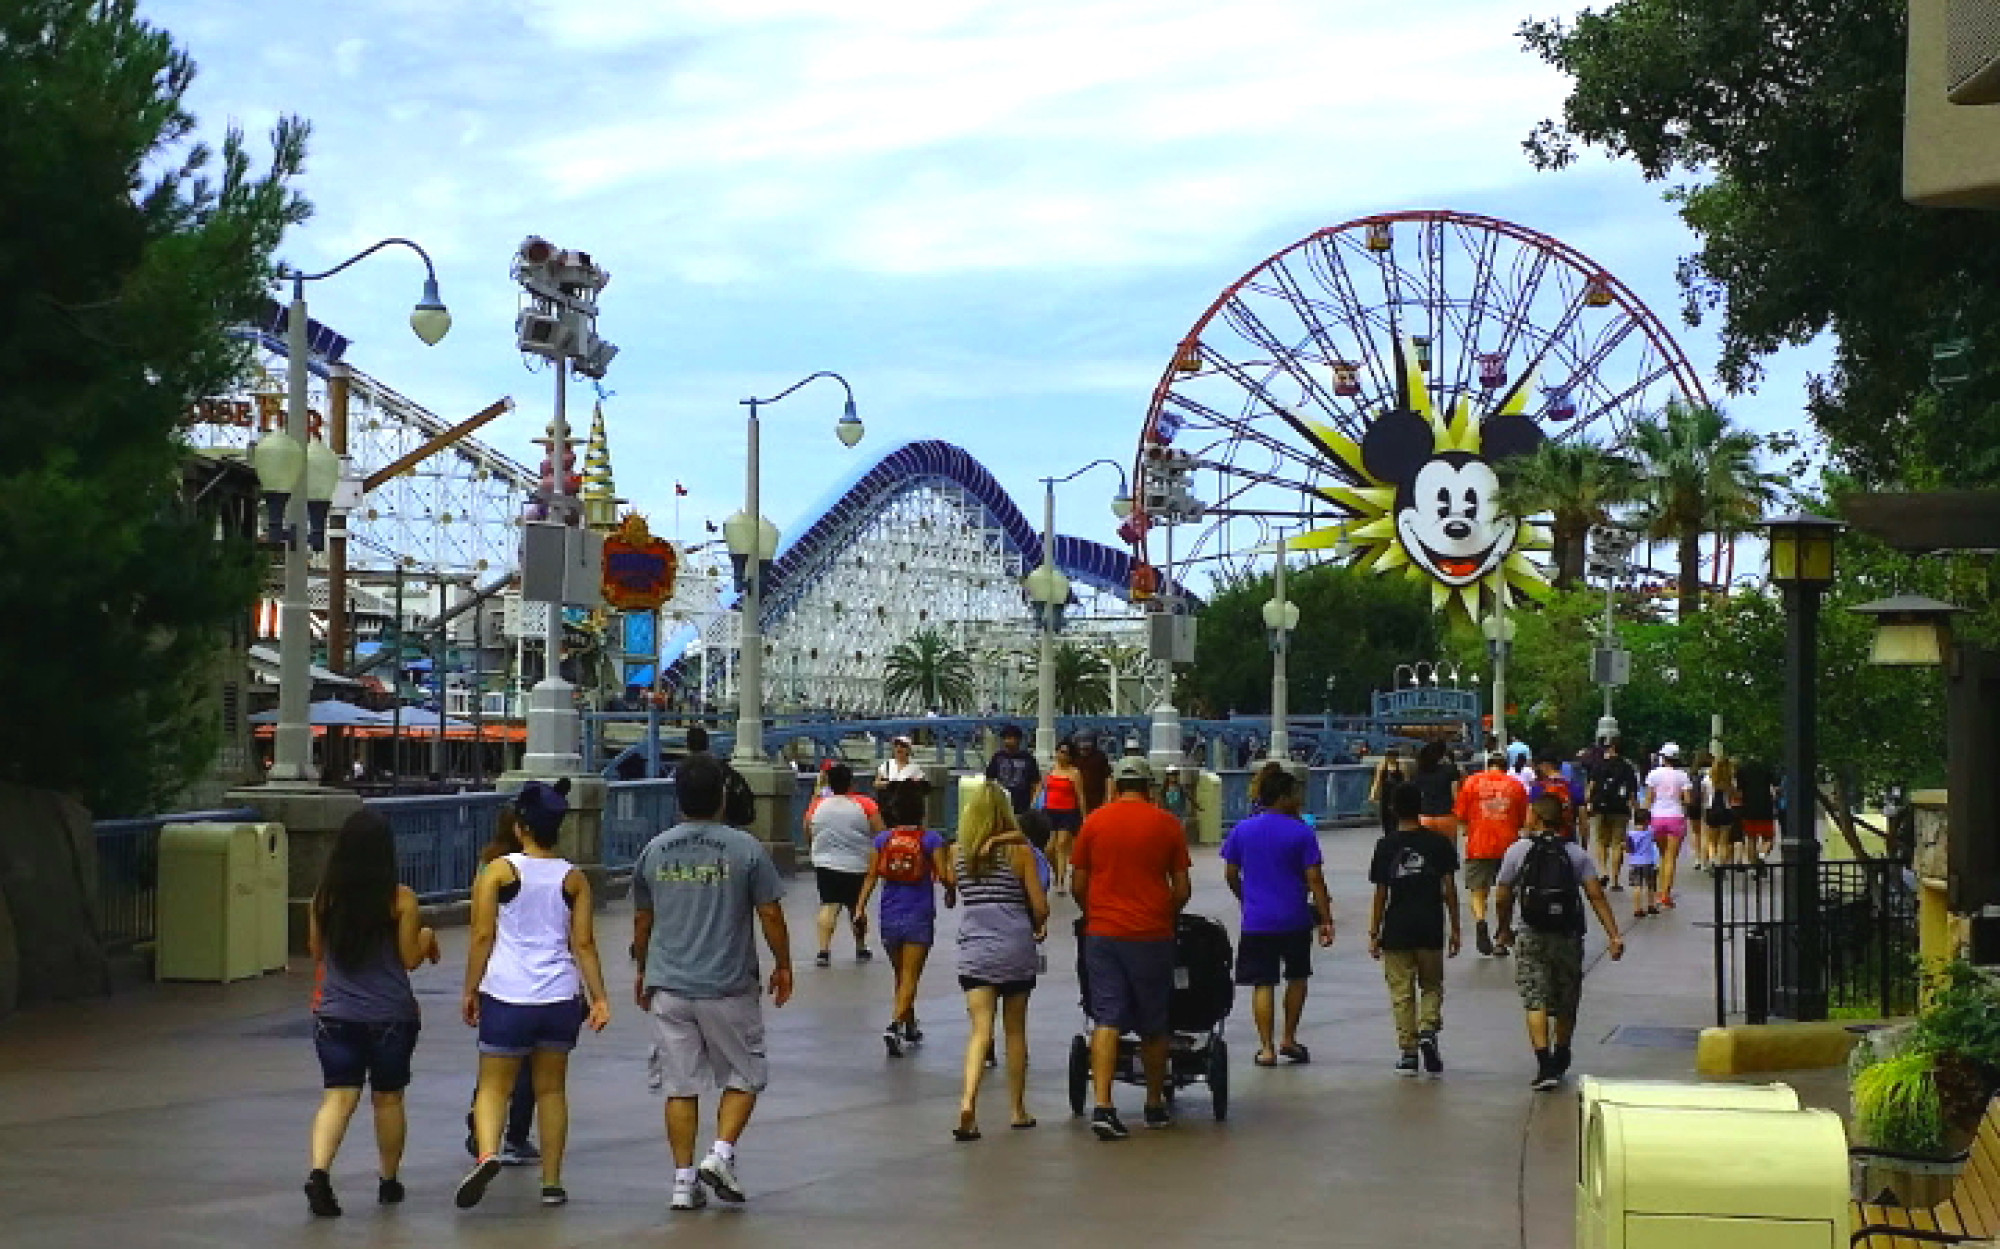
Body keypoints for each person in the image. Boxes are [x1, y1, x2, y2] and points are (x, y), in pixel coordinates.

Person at [631, 753, 792, 1212]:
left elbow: (643, 921)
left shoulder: (654, 850)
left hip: (669, 984)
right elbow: (770, 913)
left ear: (678, 799)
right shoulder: (745, 850)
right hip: (728, 984)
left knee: (678, 1085)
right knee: (746, 1073)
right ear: (723, 796)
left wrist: (643, 970)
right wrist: (783, 964)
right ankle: (720, 1154)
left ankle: (683, 1182)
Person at [457, 780, 612, 1210]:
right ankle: (552, 1181)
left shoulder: (500, 872)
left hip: (507, 994)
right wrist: (599, 997)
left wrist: (470, 989)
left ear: (521, 827)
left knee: (493, 1087)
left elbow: (482, 935)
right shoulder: (573, 878)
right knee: (551, 1091)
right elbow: (583, 944)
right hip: (559, 997)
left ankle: (488, 1154)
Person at [303, 811, 442, 1217]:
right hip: (390, 1017)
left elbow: (316, 952)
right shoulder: (400, 900)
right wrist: (428, 937)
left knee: (337, 1097)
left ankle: (319, 1173)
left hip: (335, 1015)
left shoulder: (323, 899)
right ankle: (388, 1181)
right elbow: (409, 959)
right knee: (388, 1099)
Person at [1072, 756, 1192, 1140]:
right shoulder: (1167, 824)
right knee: (1154, 1023)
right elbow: (1182, 888)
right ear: (1149, 786)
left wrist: (1094, 913)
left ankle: (1104, 1106)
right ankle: (1154, 1104)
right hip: (1151, 935)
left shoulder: (1094, 823)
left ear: (1116, 785)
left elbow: (1078, 882)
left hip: (1103, 934)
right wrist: (1163, 912)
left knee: (1107, 1017)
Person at [1493, 794, 1624, 1090]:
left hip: (1531, 932)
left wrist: (1503, 928)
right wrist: (1614, 935)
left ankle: (1544, 1064)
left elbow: (1502, 895)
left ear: (1537, 818)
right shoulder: (1575, 853)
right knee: (1566, 996)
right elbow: (1595, 895)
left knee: (1534, 996)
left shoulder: (1518, 852)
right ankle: (1562, 1052)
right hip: (1567, 934)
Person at [951, 781, 1050, 1141]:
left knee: (979, 1032)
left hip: (975, 947)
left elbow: (956, 891)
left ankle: (967, 1104)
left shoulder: (958, 853)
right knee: (1015, 1031)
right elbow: (1039, 905)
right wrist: (1038, 924)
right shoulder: (1021, 854)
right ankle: (1017, 1110)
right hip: (1014, 946)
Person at [1221, 768, 1335, 1068]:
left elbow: (1231, 873)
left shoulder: (1242, 830)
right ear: (1283, 797)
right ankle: (1289, 1038)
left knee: (1263, 983)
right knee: (1297, 978)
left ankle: (1266, 1048)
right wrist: (1326, 918)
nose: (1299, 800)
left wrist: (1245, 897)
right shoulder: (1301, 832)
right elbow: (1315, 880)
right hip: (1294, 918)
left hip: (1257, 920)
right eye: (1295, 794)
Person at [462, 809, 541, 1167]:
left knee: (495, 1060)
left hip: (496, 972)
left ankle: (481, 1120)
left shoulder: (488, 867)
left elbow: (479, 927)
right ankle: (516, 1136)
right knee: (529, 1066)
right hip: (536, 979)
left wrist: (472, 984)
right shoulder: (543, 870)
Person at [856, 779, 955, 1057]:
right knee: (910, 976)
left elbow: (872, 875)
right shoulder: (931, 839)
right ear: (922, 812)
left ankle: (910, 1024)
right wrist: (951, 891)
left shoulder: (883, 839)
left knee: (900, 974)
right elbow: (944, 875)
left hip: (888, 913)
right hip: (918, 913)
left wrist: (859, 908)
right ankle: (895, 1025)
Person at [1367, 784, 1461, 1077]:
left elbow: (1381, 892)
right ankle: (1428, 1029)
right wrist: (1455, 927)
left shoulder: (1386, 846)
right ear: (1420, 805)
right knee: (1431, 985)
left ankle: (1408, 1053)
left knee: (1401, 991)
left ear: (1393, 809)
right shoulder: (1439, 843)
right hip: (1430, 924)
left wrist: (1374, 930)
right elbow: (1449, 889)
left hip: (1397, 927)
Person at [805, 763, 882, 967]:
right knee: (856, 907)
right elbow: (880, 833)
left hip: (825, 862)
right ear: (851, 783)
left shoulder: (818, 804)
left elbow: (807, 828)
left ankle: (823, 950)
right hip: (857, 863)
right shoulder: (866, 804)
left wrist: (814, 847)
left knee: (829, 905)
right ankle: (860, 946)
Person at [1454, 753, 1529, 957]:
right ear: (1505, 767)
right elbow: (1523, 820)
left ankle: (1480, 920)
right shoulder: (1516, 786)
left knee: (1478, 890)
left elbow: (1460, 815)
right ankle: (1502, 936)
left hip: (1478, 844)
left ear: (1488, 766)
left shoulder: (1471, 783)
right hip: (1508, 845)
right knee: (1505, 891)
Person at [1585, 738, 1640, 893]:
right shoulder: (1628, 768)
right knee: (1617, 844)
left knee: (1601, 841)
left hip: (1599, 808)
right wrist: (1637, 811)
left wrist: (1588, 803)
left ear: (1612, 749)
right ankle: (1615, 879)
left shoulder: (1599, 766)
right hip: (1620, 809)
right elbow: (1632, 793)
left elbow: (1591, 787)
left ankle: (1603, 871)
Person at [1644, 743, 1694, 909]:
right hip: (1675, 817)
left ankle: (1658, 891)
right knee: (1671, 858)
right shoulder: (1683, 776)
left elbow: (1649, 798)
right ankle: (1665, 894)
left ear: (1663, 757)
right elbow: (1688, 800)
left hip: (1657, 816)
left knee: (1662, 855)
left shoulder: (1653, 774)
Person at [1034, 740, 1086, 892]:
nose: (1062, 755)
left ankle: (1061, 880)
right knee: (1049, 848)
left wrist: (1084, 816)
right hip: (1050, 810)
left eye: (1065, 753)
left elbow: (1080, 795)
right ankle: (1056, 872)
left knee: (1062, 844)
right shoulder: (1050, 770)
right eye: (1060, 752)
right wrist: (1034, 803)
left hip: (1067, 811)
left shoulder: (1074, 773)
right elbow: (1041, 787)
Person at [1411, 740, 1462, 845]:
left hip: (1425, 816)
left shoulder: (1419, 771)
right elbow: (1455, 794)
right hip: (1446, 815)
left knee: (1428, 852)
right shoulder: (1450, 770)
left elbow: (1416, 794)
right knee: (1449, 851)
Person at [984, 725, 1041, 816]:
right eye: (1005, 738)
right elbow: (989, 780)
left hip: (1023, 807)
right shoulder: (997, 757)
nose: (1007, 741)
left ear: (1018, 740)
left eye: (1010, 738)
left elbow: (1036, 783)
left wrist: (1033, 803)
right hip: (1001, 805)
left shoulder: (1028, 758)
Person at [1736, 755, 1778, 862]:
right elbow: (1776, 785)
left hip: (1748, 807)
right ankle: (1761, 855)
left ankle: (1753, 865)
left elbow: (1739, 791)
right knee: (1768, 838)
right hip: (1765, 807)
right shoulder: (1767, 767)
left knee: (1751, 838)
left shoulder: (1742, 769)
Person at [1625, 809, 1659, 918]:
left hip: (1635, 863)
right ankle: (1651, 906)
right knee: (1650, 885)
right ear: (1647, 821)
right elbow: (1655, 840)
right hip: (1648, 862)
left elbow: (1629, 849)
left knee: (1637, 887)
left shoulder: (1630, 834)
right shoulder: (1650, 832)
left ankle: (1637, 909)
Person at [1369, 747, 1408, 837]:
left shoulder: (1402, 766)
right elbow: (1377, 780)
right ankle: (1388, 834)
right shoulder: (1382, 766)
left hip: (1398, 794)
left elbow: (1406, 781)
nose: (1391, 758)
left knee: (1396, 817)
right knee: (1385, 816)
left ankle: (1396, 834)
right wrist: (1373, 794)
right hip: (1385, 794)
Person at [1160, 766, 1196, 840]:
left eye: (1175, 775)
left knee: (1180, 831)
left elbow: (1188, 796)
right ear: (1167, 777)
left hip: (1180, 813)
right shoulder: (1164, 788)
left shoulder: (1180, 787)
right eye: (1171, 775)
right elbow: (1161, 799)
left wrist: (1197, 806)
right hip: (1169, 813)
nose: (1173, 777)